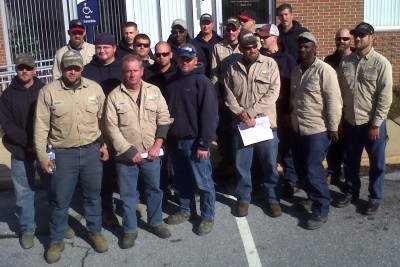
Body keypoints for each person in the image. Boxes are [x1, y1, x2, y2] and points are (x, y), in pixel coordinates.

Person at [35, 50, 109, 263]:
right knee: (60, 201)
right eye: (69, 67)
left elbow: (104, 120)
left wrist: (105, 145)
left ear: (82, 68)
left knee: (93, 197)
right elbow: (40, 127)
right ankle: (56, 240)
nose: (73, 71)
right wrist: (43, 156)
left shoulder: (94, 89)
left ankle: (95, 232)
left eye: (76, 67)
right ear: (61, 68)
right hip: (62, 154)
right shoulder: (48, 92)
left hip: (92, 152)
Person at [105, 54, 172, 249]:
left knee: (155, 190)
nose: (132, 74)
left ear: (142, 71)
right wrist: (127, 150)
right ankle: (129, 229)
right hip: (126, 158)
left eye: (136, 70)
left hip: (151, 154)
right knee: (128, 195)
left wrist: (158, 145)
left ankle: (156, 222)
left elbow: (164, 117)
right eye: (128, 71)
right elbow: (111, 127)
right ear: (123, 72)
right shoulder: (114, 96)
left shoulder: (154, 91)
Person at [224, 29, 282, 218]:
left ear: (258, 46)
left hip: (265, 126)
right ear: (241, 48)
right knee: (242, 166)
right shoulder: (233, 68)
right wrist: (241, 113)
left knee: (270, 166)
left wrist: (251, 112)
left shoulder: (270, 64)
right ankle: (243, 199)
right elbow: (228, 94)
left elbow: (273, 92)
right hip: (241, 127)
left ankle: (272, 199)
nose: (251, 50)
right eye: (247, 48)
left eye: (254, 46)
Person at [336, 22, 392, 215]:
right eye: (356, 35)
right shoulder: (346, 62)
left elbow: (385, 97)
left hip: (372, 124)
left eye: (362, 35)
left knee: (377, 162)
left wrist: (377, 124)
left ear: (371, 37)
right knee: (351, 160)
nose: (358, 38)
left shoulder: (381, 63)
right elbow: (340, 93)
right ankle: (351, 191)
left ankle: (374, 197)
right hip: (351, 122)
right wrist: (340, 120)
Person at [290, 32, 342, 230]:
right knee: (301, 167)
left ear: (315, 48)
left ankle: (322, 208)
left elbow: (333, 100)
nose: (303, 49)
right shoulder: (296, 71)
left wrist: (333, 126)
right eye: (300, 46)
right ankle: (312, 198)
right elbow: (293, 98)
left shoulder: (325, 70)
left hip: (317, 129)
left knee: (313, 169)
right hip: (298, 127)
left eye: (307, 46)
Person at [164, 43, 218, 236]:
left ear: (196, 60)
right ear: (176, 59)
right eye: (181, 58)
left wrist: (204, 143)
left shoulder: (202, 82)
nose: (184, 62)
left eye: (188, 59)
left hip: (196, 142)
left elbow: (210, 115)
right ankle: (186, 210)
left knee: (203, 181)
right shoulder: (172, 81)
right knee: (181, 180)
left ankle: (207, 215)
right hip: (176, 140)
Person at [0, 54, 51, 249]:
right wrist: (29, 143)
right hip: (21, 152)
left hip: (45, 152)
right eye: (21, 67)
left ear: (34, 69)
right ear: (17, 69)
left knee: (53, 189)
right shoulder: (7, 95)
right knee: (24, 194)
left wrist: (41, 145)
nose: (24, 71)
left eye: (28, 68)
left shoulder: (45, 90)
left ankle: (59, 225)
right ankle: (28, 229)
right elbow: (7, 124)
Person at [82, 32, 123, 228]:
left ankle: (128, 202)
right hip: (98, 128)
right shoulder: (87, 71)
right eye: (98, 47)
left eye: (106, 47)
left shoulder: (123, 67)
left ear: (114, 48)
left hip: (123, 125)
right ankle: (107, 210)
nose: (102, 50)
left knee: (124, 168)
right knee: (104, 171)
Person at [257, 24, 298, 198]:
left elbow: (294, 90)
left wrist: (290, 113)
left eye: (265, 37)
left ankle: (290, 182)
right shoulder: (259, 58)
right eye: (261, 36)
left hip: (283, 113)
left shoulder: (288, 60)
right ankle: (266, 183)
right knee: (267, 151)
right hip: (266, 114)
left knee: (287, 149)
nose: (261, 40)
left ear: (275, 38)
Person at [210, 17, 242, 179]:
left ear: (239, 29)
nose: (231, 32)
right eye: (228, 29)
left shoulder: (247, 45)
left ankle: (240, 168)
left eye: (234, 29)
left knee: (240, 133)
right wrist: (217, 98)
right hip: (224, 96)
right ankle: (227, 164)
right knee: (224, 132)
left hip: (241, 97)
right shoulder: (218, 47)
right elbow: (214, 75)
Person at [324, 28, 355, 185]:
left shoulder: (357, 58)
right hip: (334, 108)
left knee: (349, 147)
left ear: (351, 40)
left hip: (352, 110)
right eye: (338, 39)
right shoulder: (329, 60)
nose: (341, 41)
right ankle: (333, 170)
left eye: (345, 39)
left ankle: (348, 179)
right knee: (333, 143)